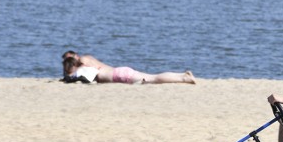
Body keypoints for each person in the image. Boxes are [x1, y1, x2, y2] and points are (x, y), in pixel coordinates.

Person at [60, 50, 196, 85]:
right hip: (119, 73)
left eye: (68, 58)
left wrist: (69, 75)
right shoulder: (87, 60)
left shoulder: (84, 62)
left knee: (153, 78)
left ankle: (184, 77)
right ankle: (182, 76)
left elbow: (81, 75)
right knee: (152, 77)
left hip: (119, 74)